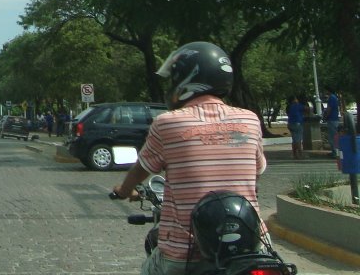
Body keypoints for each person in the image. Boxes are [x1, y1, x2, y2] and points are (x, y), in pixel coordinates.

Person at [111, 42, 266, 275]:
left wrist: (124, 190)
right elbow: (257, 172)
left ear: (187, 79)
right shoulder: (250, 120)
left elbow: (141, 170)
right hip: (250, 247)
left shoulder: (167, 123)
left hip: (185, 253)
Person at [286, 93, 306, 160]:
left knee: (294, 140)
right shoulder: (297, 105)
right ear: (293, 100)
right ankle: (300, 154)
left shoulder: (288, 106)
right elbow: (308, 108)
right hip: (297, 124)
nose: (297, 100)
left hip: (290, 124)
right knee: (298, 140)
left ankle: (294, 154)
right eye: (296, 99)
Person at [323, 87, 340, 157]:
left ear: (328, 91)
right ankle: (334, 151)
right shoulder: (334, 97)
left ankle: (335, 152)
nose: (324, 92)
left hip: (332, 119)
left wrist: (325, 116)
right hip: (334, 119)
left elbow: (329, 109)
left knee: (332, 137)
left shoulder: (332, 98)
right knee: (333, 136)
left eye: (325, 90)